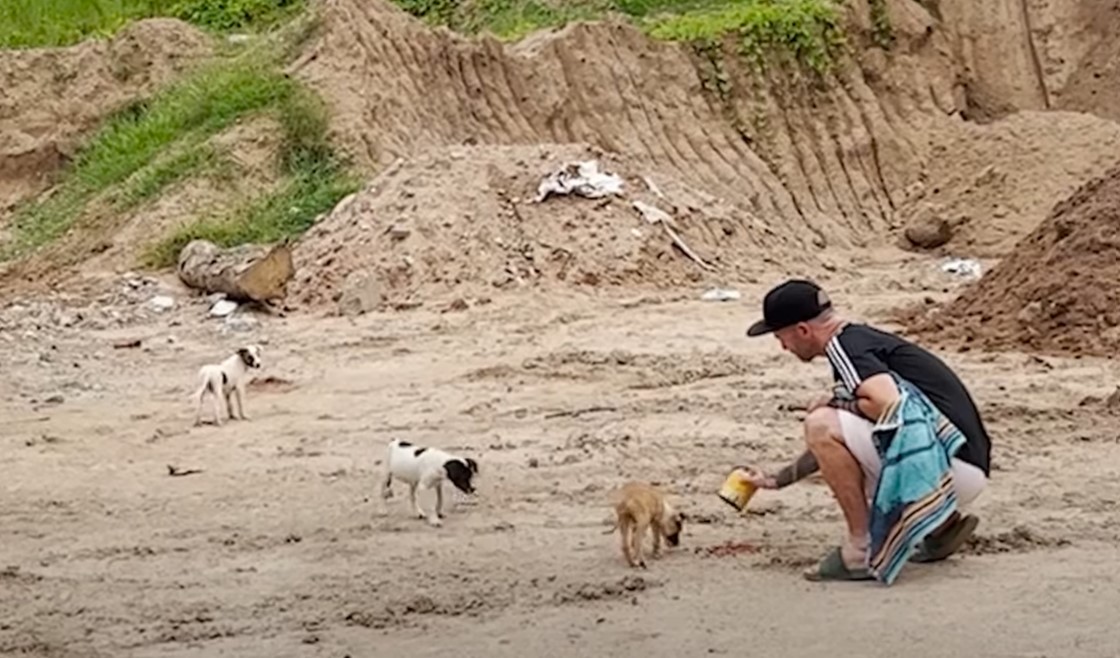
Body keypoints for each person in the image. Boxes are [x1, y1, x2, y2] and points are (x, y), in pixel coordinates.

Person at [741, 279, 992, 582]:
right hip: (967, 460)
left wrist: (834, 402)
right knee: (834, 421)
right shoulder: (862, 340)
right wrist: (777, 480)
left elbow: (885, 404)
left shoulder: (844, 348)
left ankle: (861, 550)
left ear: (803, 330)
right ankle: (941, 526)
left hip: (952, 470)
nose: (783, 346)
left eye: (781, 337)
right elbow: (853, 434)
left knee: (820, 422)